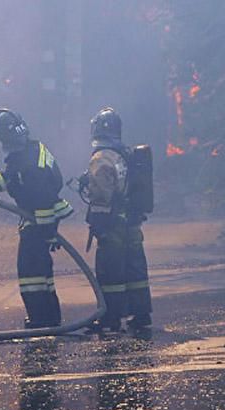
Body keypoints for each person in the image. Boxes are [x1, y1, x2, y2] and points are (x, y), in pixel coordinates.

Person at [0, 109, 73, 328]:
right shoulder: (29, 150)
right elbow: (9, 177)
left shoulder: (31, 165)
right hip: (39, 221)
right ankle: (50, 318)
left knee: (30, 275)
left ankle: (40, 320)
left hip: (38, 224)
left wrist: (47, 232)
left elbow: (42, 201)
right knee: (43, 275)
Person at [84, 107, 153, 333]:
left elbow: (101, 194)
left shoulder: (101, 157)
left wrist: (98, 224)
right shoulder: (125, 153)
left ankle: (110, 318)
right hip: (131, 222)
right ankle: (141, 314)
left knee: (110, 271)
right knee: (135, 270)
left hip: (113, 224)